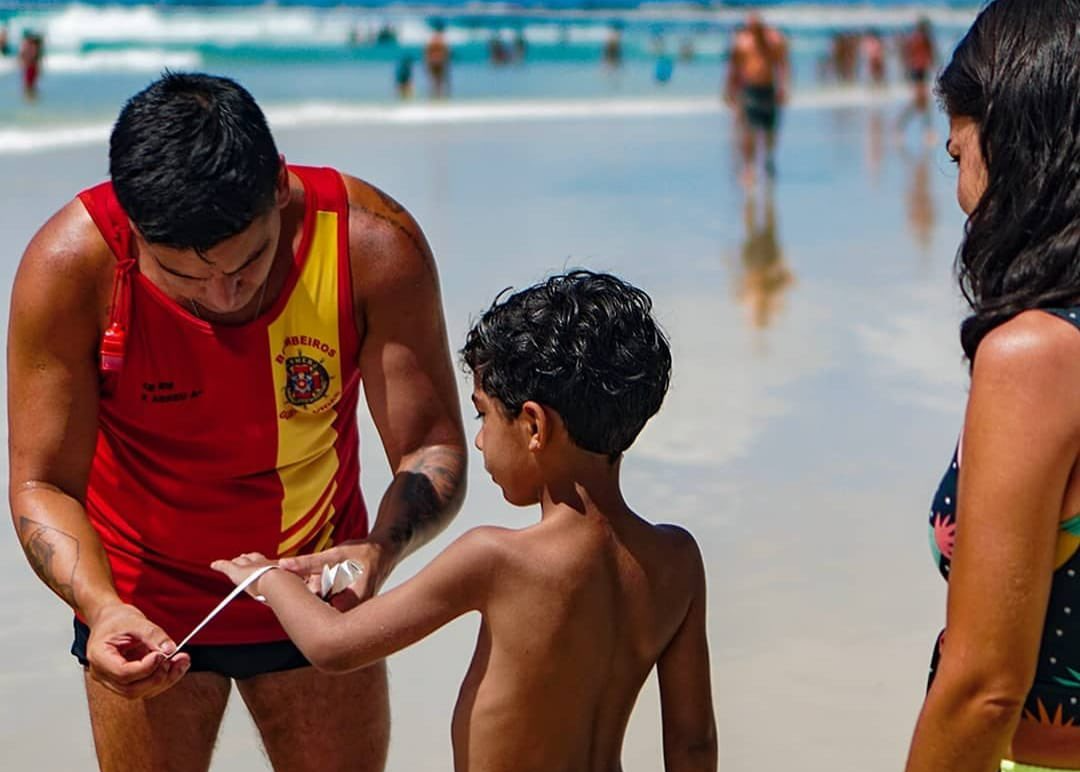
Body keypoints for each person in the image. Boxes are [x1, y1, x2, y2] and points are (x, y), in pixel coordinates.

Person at [8, 72, 467, 772]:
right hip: (142, 604)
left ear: (279, 185)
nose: (223, 294)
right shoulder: (71, 268)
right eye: (185, 276)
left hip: (316, 585)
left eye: (248, 261)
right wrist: (101, 609)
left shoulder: (369, 245)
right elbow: (42, 482)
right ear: (132, 228)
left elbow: (430, 446)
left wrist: (378, 551)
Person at [213, 270, 718, 772]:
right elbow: (693, 745)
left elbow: (334, 646)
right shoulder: (676, 560)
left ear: (534, 425)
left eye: (483, 415)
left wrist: (269, 579)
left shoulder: (496, 558)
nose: (478, 441)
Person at [904, 2, 1080, 771]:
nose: (961, 195)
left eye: (957, 157)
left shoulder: (1038, 352)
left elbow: (985, 691)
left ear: (1014, 147)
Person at [724, 12, 790, 187]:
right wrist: (729, 90)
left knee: (769, 129)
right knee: (749, 130)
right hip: (750, 90)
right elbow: (733, 69)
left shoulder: (773, 42)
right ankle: (749, 167)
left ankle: (768, 159)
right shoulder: (743, 43)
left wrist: (783, 88)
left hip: (769, 89)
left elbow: (783, 65)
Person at [897, 17, 937, 140]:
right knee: (920, 102)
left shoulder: (914, 38)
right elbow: (932, 55)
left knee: (921, 103)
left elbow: (906, 54)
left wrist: (906, 71)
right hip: (919, 72)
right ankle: (925, 130)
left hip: (917, 72)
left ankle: (904, 127)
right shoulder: (924, 39)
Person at [424, 24, 450, 98]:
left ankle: (436, 95)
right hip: (437, 62)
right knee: (437, 80)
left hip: (436, 62)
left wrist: (427, 62)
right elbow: (446, 53)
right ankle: (437, 95)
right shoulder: (440, 42)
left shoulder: (434, 42)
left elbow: (427, 53)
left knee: (436, 80)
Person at [18, 29, 42, 101]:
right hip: (31, 66)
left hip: (31, 66)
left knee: (30, 83)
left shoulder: (31, 46)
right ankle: (30, 97)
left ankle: (29, 97)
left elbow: (24, 56)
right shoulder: (32, 46)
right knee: (30, 83)